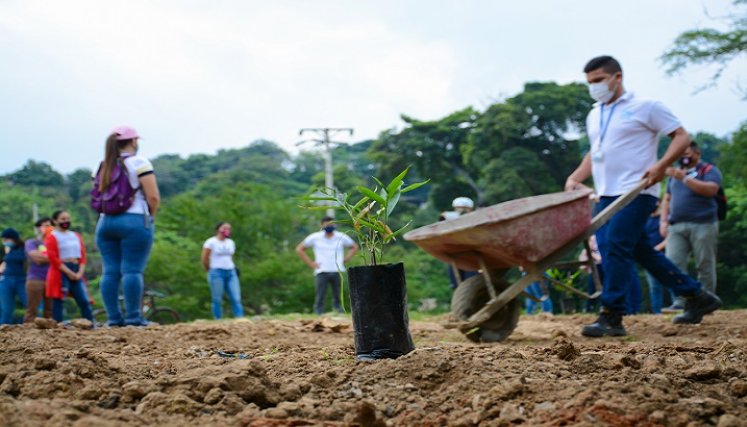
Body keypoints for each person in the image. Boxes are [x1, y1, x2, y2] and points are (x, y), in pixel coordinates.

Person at [564, 55, 721, 337]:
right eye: (589, 82)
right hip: (606, 195)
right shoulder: (594, 114)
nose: (594, 87)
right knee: (640, 251)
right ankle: (696, 296)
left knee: (614, 245)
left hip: (637, 191)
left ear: (617, 77)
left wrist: (661, 165)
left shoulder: (646, 107)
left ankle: (612, 315)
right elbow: (596, 152)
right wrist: (576, 176)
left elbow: (681, 136)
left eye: (598, 80)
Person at [95, 125, 160, 327]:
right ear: (133, 141)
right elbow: (153, 196)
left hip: (105, 222)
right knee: (132, 271)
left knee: (110, 271)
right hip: (133, 219)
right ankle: (134, 318)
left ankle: (113, 319)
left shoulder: (102, 165)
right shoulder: (139, 162)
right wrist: (150, 217)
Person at [660, 141, 722, 312]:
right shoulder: (674, 174)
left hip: (703, 224)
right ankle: (680, 301)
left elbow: (711, 190)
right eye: (681, 154)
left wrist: (685, 178)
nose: (683, 157)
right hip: (676, 225)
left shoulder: (708, 170)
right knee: (673, 263)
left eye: (687, 153)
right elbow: (667, 198)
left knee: (704, 264)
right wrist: (663, 221)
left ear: (697, 153)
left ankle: (706, 301)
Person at [296, 216, 359, 315]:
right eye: (327, 224)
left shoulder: (341, 236)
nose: (330, 225)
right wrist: (311, 263)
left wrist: (347, 258)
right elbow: (299, 249)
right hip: (321, 270)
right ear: (322, 225)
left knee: (338, 295)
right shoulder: (315, 237)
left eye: (332, 224)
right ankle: (318, 313)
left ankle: (339, 312)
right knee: (320, 294)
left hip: (337, 269)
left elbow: (354, 247)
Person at [45, 211, 93, 322]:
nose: (66, 221)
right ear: (55, 221)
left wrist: (80, 272)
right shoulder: (52, 237)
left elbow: (82, 256)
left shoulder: (75, 236)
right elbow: (53, 258)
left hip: (76, 269)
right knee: (58, 299)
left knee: (83, 300)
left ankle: (90, 323)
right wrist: (68, 272)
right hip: (61, 270)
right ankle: (58, 325)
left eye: (67, 218)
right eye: (62, 219)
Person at [201, 222, 244, 319]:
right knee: (217, 299)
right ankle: (218, 319)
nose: (227, 230)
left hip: (230, 272)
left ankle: (239, 317)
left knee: (236, 297)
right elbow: (204, 258)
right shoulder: (211, 242)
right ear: (218, 229)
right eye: (224, 228)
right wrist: (209, 269)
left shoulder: (231, 243)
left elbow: (231, 257)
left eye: (229, 228)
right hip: (216, 272)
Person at [441, 197, 479, 288]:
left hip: (471, 257)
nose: (461, 211)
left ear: (470, 209)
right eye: (458, 208)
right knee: (456, 285)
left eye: (464, 208)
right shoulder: (449, 219)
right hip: (455, 256)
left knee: (471, 283)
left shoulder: (475, 219)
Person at [644, 203, 672, 314]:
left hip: (666, 254)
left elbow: (672, 236)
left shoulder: (665, 218)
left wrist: (658, 247)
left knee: (671, 282)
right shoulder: (645, 219)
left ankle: (678, 306)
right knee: (654, 286)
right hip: (649, 256)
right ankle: (657, 313)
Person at [24, 218, 53, 322]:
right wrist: (54, 258)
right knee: (32, 310)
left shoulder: (56, 243)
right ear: (38, 228)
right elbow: (36, 258)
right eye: (45, 225)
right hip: (35, 279)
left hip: (52, 279)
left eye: (51, 225)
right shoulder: (32, 242)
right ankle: (29, 333)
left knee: (50, 311)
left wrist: (45, 257)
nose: (49, 228)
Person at [0, 228, 28, 324]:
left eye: (6, 239)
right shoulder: (8, 250)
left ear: (13, 239)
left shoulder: (25, 248)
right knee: (6, 310)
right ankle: (3, 331)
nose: (4, 242)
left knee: (29, 305)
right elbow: (5, 264)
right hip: (6, 279)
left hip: (22, 280)